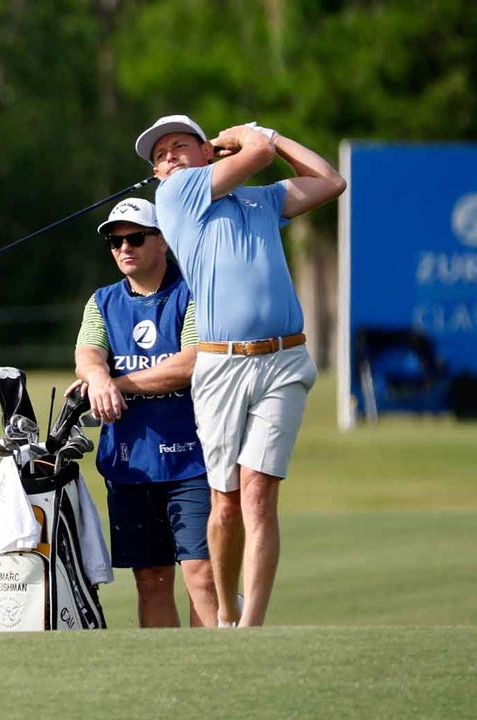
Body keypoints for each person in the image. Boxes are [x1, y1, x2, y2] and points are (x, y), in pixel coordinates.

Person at [134, 115, 346, 627]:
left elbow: (330, 181)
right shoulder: (176, 197)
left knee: (258, 492)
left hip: (283, 360)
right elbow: (259, 156)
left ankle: (252, 629)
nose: (168, 159)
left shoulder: (260, 200)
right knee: (225, 502)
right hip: (221, 365)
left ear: (207, 151)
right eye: (159, 155)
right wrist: (255, 141)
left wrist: (270, 137)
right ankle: (226, 612)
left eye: (179, 147)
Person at [73, 197, 218, 628]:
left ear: (163, 242)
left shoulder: (192, 292)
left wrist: (113, 385)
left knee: (201, 574)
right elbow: (88, 353)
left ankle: (213, 670)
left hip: (192, 459)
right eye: (115, 242)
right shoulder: (102, 301)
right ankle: (169, 675)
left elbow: (190, 363)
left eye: (135, 238)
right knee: (151, 579)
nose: (124, 248)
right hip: (130, 463)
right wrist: (97, 378)